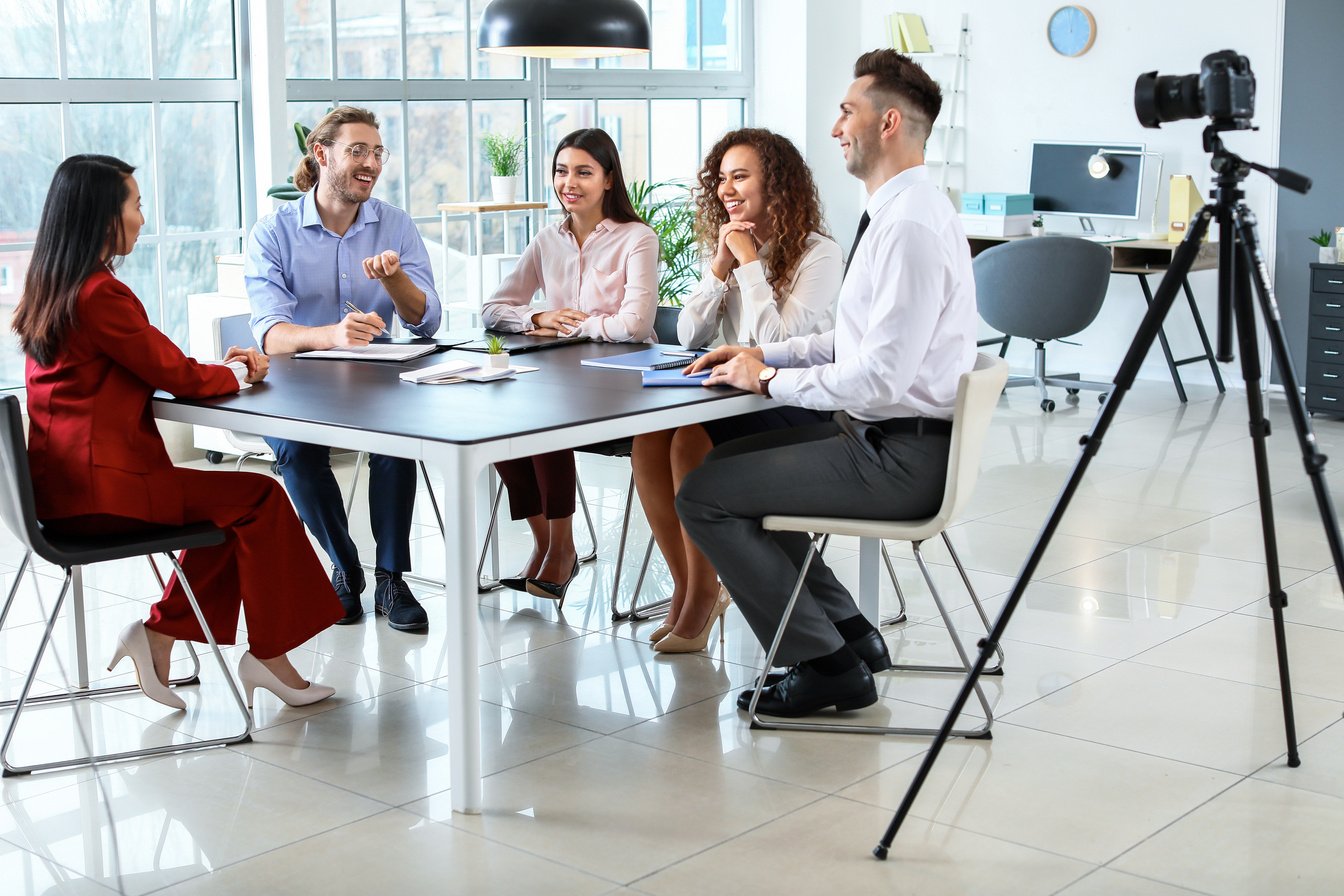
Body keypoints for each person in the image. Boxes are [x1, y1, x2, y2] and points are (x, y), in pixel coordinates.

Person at [676, 49, 978, 716]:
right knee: (735, 468)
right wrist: (763, 354)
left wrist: (767, 384)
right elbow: (851, 341)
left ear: (888, 122)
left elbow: (875, 378)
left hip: (899, 456)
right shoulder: (901, 213)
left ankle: (825, 665)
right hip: (889, 441)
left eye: (847, 112)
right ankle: (848, 634)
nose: (837, 127)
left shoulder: (908, 226)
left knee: (704, 494)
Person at [13, 154, 343, 711]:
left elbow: (154, 363)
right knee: (257, 497)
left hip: (59, 488)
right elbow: (178, 377)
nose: (143, 218)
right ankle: (268, 655)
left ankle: (160, 634)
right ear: (102, 216)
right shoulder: (100, 295)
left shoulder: (51, 287)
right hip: (102, 493)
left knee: (223, 510)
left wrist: (217, 370)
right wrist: (242, 369)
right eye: (136, 205)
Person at [631, 128, 841, 654]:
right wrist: (720, 269)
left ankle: (703, 596)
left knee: (687, 442)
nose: (727, 188)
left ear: (777, 185)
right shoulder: (728, 248)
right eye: (721, 178)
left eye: (740, 176)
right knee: (649, 441)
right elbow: (687, 336)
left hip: (799, 406)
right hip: (734, 400)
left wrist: (749, 264)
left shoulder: (820, 255)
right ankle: (688, 586)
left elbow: (777, 343)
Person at [246, 105, 442, 632]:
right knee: (294, 451)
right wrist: (329, 336)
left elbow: (426, 323)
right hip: (298, 386)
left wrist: (396, 280)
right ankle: (344, 566)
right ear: (322, 153)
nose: (371, 163)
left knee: (396, 446)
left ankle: (391, 579)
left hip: (378, 382)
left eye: (378, 153)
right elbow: (270, 333)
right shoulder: (273, 232)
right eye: (357, 150)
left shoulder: (395, 224)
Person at [482, 127, 657, 607]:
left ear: (608, 179)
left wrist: (576, 326)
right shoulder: (547, 240)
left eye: (584, 171)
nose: (569, 182)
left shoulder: (637, 238)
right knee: (498, 423)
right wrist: (539, 315)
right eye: (562, 171)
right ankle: (545, 541)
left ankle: (562, 547)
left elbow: (636, 325)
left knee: (542, 415)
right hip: (563, 377)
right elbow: (493, 310)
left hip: (625, 383)